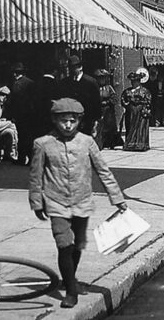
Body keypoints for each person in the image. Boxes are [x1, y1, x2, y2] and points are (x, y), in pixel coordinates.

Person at [28, 98, 126, 309]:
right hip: (56, 202)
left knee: (78, 245)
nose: (68, 125)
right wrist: (37, 201)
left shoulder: (87, 142)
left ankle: (69, 278)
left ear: (79, 121)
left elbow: (103, 171)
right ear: (55, 120)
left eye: (72, 121)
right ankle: (71, 291)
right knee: (64, 245)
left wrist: (117, 198)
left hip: (82, 201)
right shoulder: (42, 144)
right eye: (63, 121)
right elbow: (35, 176)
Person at [60, 56, 101, 137]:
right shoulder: (65, 82)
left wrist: (96, 119)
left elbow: (96, 101)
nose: (72, 70)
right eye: (71, 68)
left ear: (80, 67)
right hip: (71, 119)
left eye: (75, 67)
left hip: (86, 119)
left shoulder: (91, 82)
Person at [7, 62, 38, 165]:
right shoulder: (30, 82)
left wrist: (12, 115)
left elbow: (14, 101)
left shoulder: (16, 84)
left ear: (15, 73)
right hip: (30, 114)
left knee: (22, 136)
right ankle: (30, 157)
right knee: (28, 137)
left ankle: (22, 158)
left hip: (20, 114)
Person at [121, 68, 151, 151]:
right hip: (130, 112)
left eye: (135, 81)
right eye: (132, 81)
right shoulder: (127, 91)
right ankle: (130, 143)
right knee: (130, 127)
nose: (133, 83)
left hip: (140, 112)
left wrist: (142, 105)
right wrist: (128, 104)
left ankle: (140, 144)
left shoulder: (144, 91)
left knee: (140, 128)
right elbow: (123, 100)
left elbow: (148, 101)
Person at [94, 69, 122, 149]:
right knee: (99, 127)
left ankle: (111, 143)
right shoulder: (95, 88)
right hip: (99, 110)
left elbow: (115, 98)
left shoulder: (109, 88)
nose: (101, 80)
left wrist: (107, 102)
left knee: (109, 127)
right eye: (99, 78)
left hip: (108, 111)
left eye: (103, 78)